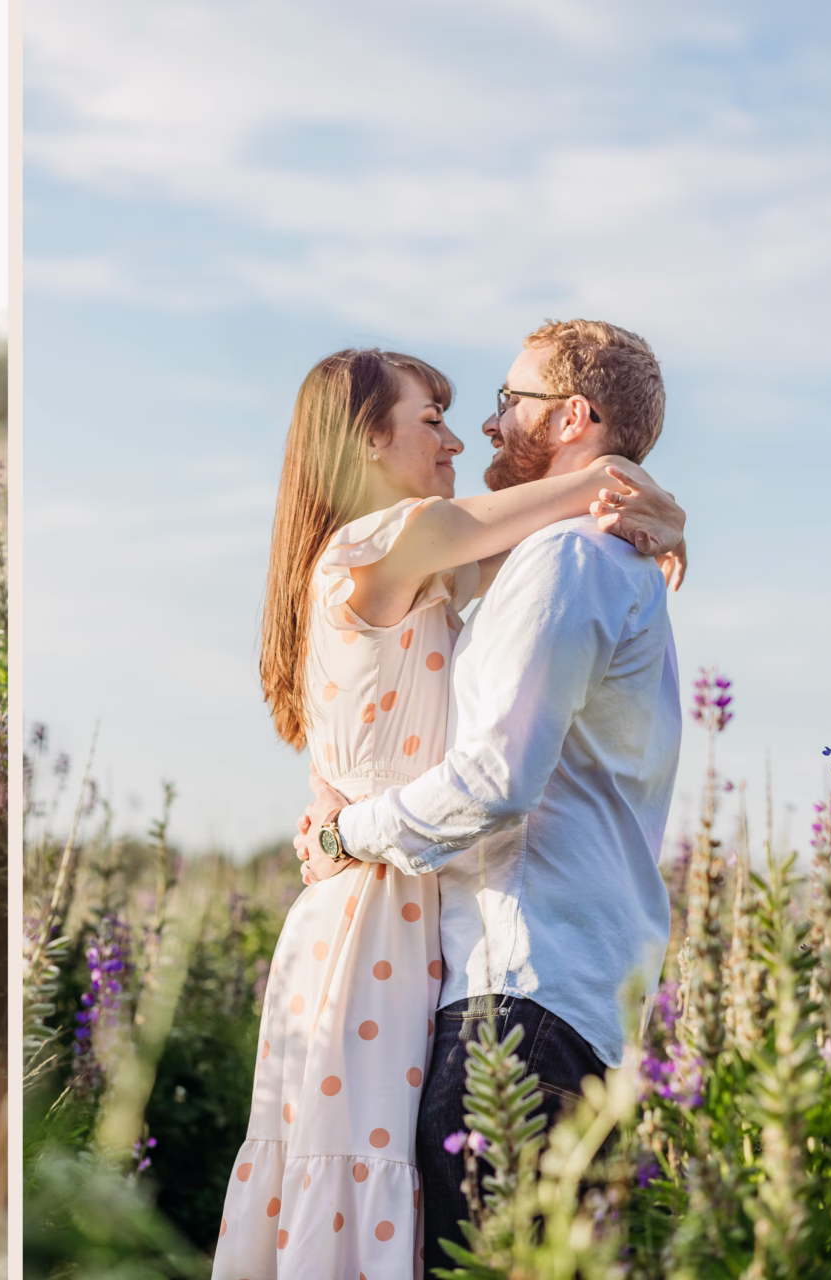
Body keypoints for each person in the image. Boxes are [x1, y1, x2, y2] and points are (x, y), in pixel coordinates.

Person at [215, 344, 682, 1279]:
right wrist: (625, 485)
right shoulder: (377, 547)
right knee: (357, 1190)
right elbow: (534, 514)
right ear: (362, 442)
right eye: (432, 418)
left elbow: (531, 552)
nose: (462, 437)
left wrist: (652, 507)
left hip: (410, 920)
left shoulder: (434, 569)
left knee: (394, 1206)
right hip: (370, 922)